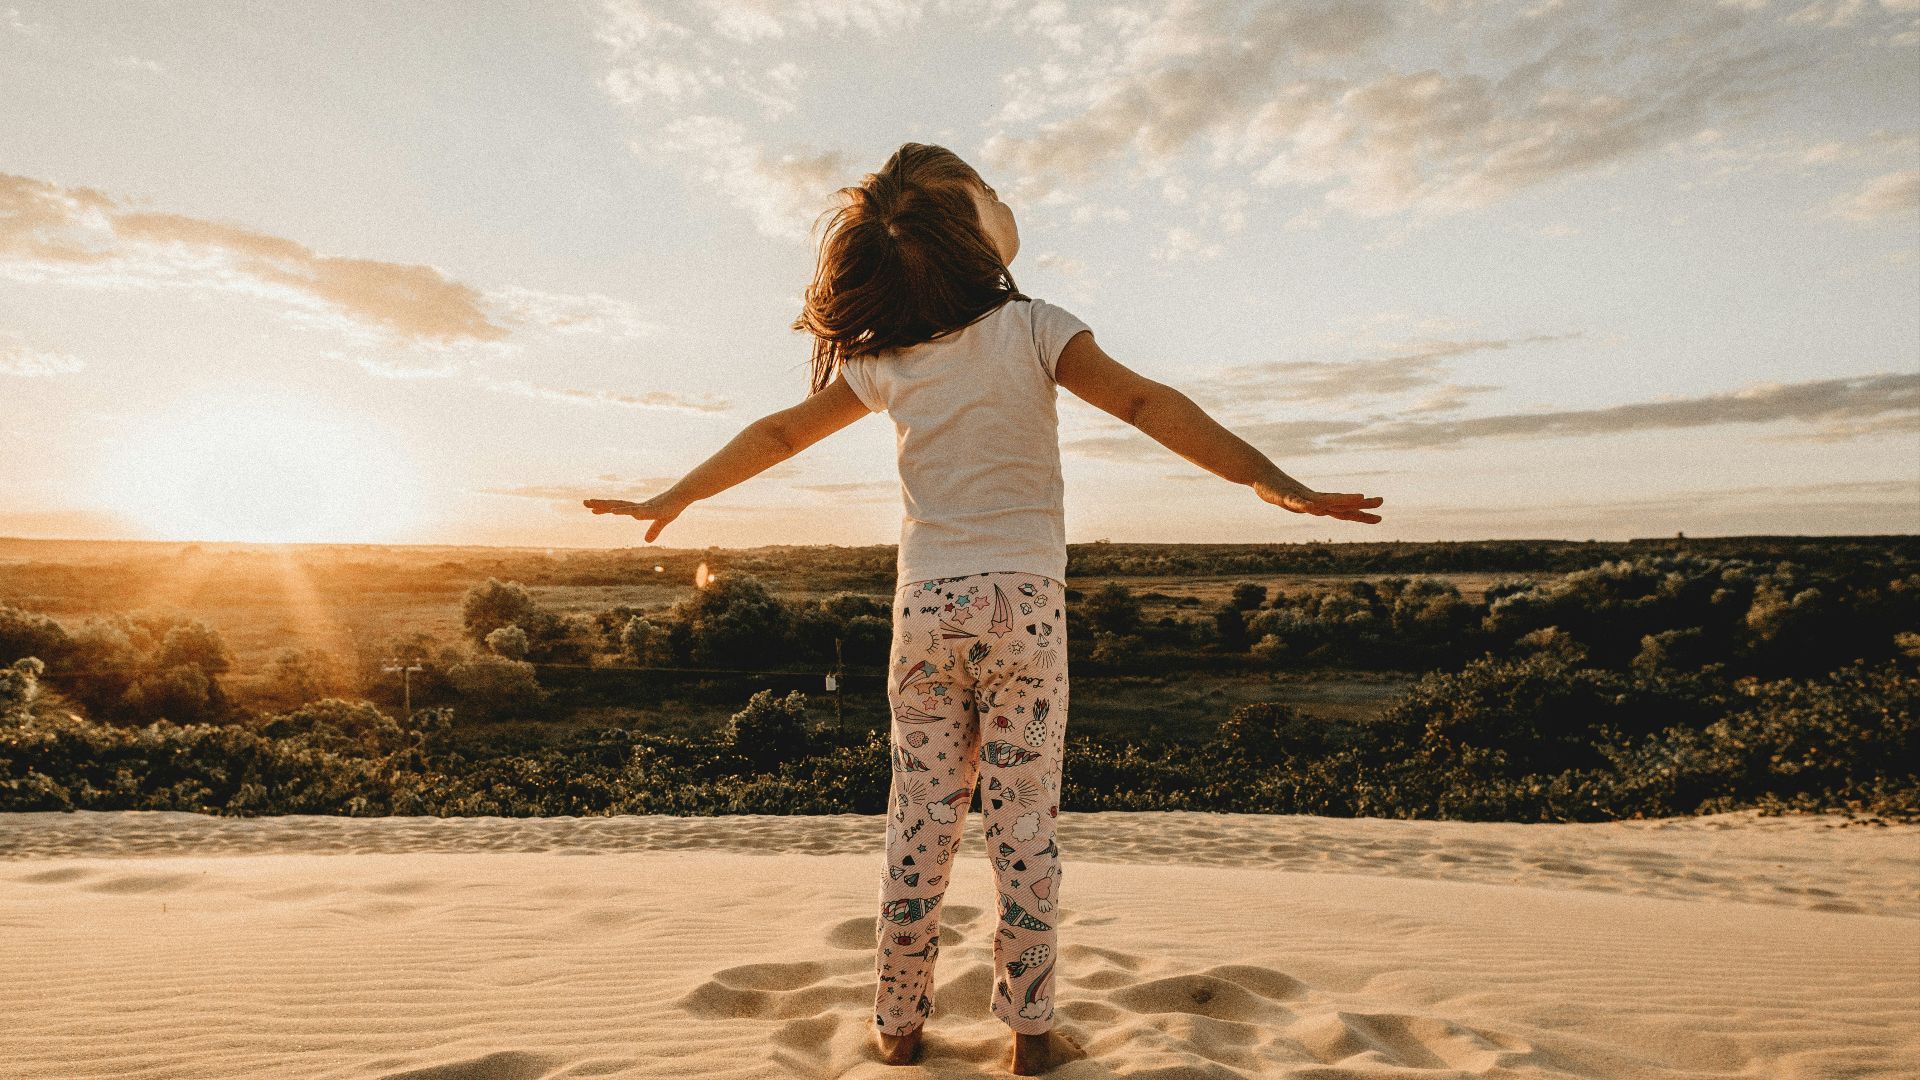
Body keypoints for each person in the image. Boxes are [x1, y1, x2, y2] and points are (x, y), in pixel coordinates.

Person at [585, 142, 1383, 1073]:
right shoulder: (1037, 328)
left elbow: (777, 431)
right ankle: (1032, 1037)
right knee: (1025, 827)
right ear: (973, 233)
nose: (1008, 203)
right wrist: (1268, 480)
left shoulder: (887, 360)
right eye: (991, 194)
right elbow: (1142, 401)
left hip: (926, 610)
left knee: (918, 822)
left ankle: (897, 1027)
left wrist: (676, 495)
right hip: (1025, 610)